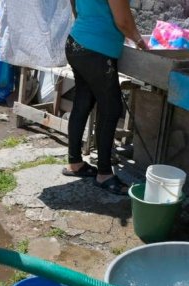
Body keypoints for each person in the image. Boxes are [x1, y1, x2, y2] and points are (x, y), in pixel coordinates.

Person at [62, 0, 146, 195]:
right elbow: (123, 21)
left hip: (77, 42)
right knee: (111, 109)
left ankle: (75, 162)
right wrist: (141, 42)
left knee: (83, 101)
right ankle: (104, 174)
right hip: (96, 51)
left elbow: (74, 5)